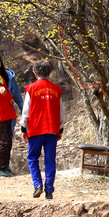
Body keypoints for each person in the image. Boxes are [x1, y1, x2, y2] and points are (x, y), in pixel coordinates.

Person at [21, 59, 64, 199]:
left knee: (33, 157)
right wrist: (60, 129)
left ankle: (37, 185)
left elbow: (26, 111)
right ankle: (49, 190)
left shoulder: (31, 88)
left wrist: (23, 128)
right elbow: (61, 112)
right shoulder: (56, 90)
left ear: (35, 73)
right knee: (50, 159)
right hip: (52, 129)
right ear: (50, 73)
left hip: (35, 129)